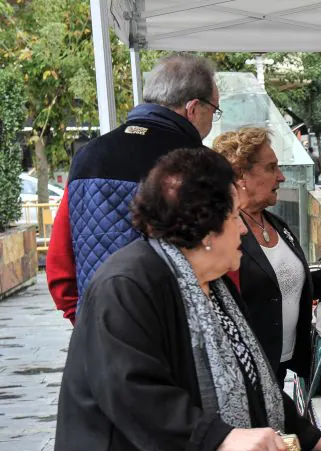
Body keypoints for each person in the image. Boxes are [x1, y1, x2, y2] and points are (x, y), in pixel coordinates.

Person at [42, 147, 321, 451]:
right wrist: (221, 437)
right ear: (206, 228)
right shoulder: (128, 284)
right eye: (233, 216)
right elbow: (132, 391)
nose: (243, 228)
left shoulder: (213, 285)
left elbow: (252, 379)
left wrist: (309, 436)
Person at [46, 54, 219, 324]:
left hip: (100, 331)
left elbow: (60, 264)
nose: (212, 121)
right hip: (176, 336)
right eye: (214, 110)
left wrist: (84, 321)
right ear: (193, 108)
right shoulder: (200, 164)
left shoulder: (89, 155)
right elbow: (223, 262)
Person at [213, 128, 321, 385]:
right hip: (247, 374)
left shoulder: (277, 224)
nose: (281, 176)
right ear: (241, 175)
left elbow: (288, 283)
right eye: (271, 168)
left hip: (283, 365)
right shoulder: (223, 232)